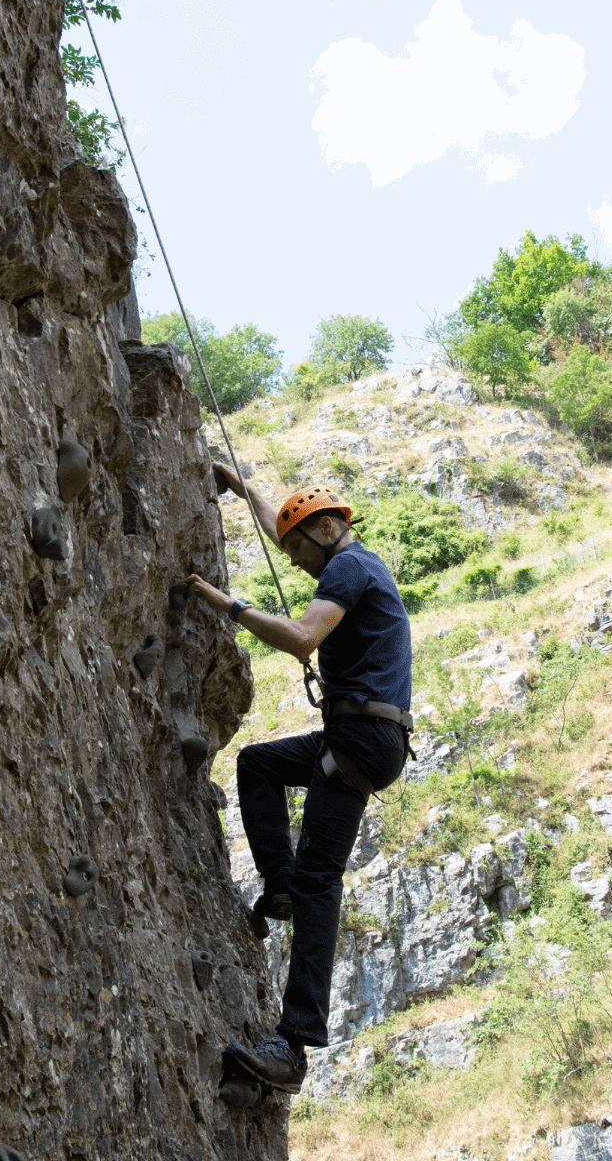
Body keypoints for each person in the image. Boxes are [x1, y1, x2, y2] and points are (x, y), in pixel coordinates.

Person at [185, 462, 413, 1095]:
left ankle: (293, 1046)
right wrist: (243, 487)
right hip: (361, 735)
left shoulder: (348, 565)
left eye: (299, 550)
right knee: (257, 766)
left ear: (330, 526)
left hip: (362, 738)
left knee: (322, 878)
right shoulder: (342, 555)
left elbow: (304, 638)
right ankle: (278, 888)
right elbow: (281, 525)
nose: (298, 565)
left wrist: (224, 603)